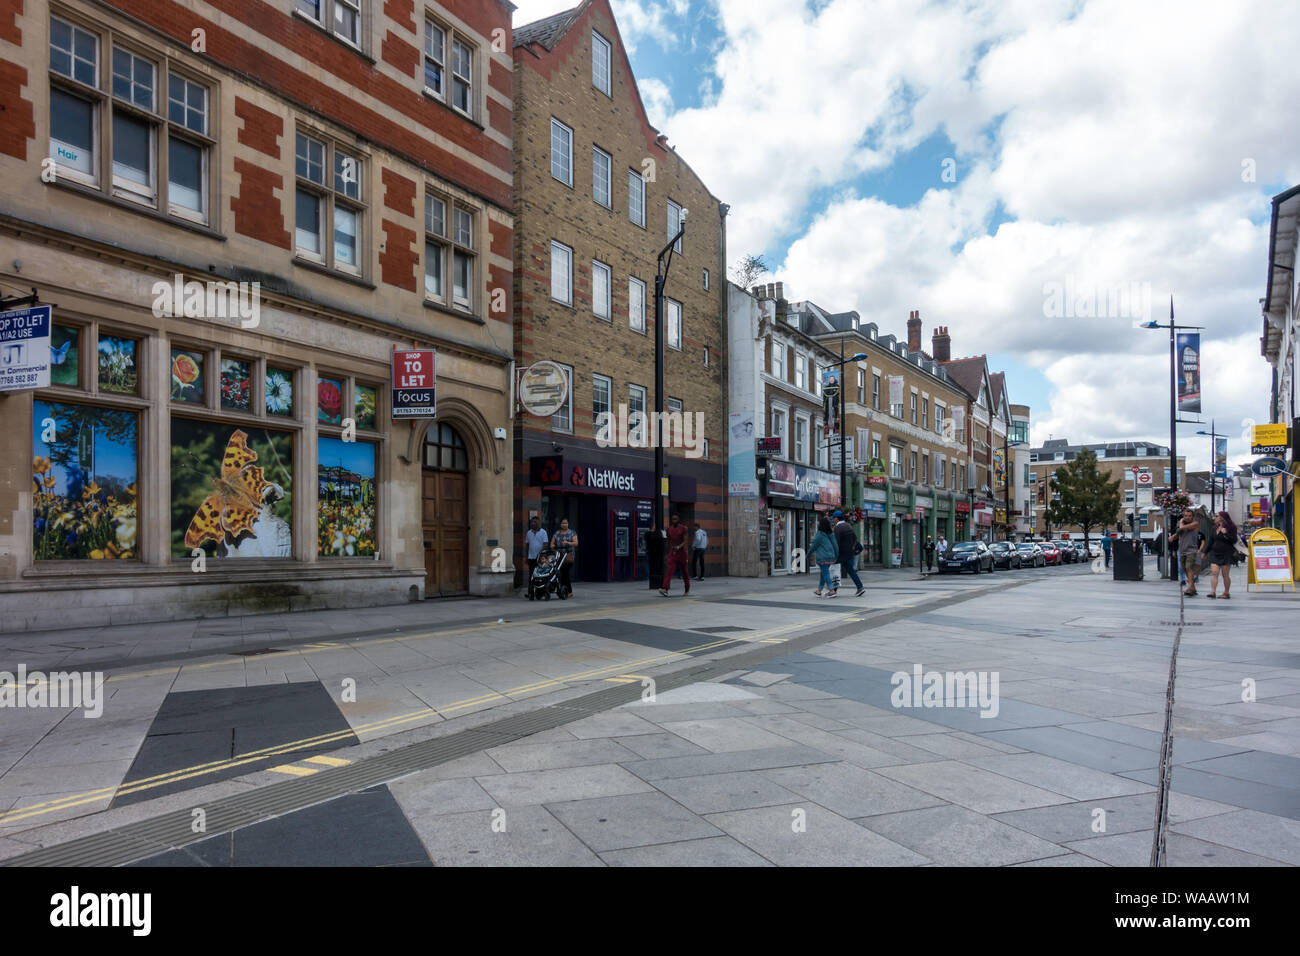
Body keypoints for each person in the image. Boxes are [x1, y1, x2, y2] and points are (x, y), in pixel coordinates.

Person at [833, 511, 865, 597]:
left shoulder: (837, 528)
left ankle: (833, 590)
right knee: (851, 571)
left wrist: (835, 553)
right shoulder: (848, 526)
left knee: (834, 570)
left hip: (841, 553)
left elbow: (836, 542)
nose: (833, 520)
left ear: (836, 518)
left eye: (834, 518)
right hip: (849, 553)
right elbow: (855, 538)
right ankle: (860, 587)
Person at [1170, 512, 1203, 596]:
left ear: (1193, 517)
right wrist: (1172, 537)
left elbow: (1182, 528)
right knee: (1184, 568)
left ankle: (1190, 588)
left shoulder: (1195, 524)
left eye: (1189, 516)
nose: (1187, 517)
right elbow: (1177, 534)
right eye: (1185, 516)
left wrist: (1181, 521)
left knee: (1189, 567)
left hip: (1191, 550)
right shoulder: (1182, 527)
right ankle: (1193, 588)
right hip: (1182, 550)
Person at [1206, 511, 1237, 599]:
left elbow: (1234, 540)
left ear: (1222, 517)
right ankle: (1213, 592)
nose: (1215, 518)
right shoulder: (1214, 528)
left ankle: (1226, 592)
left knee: (1225, 574)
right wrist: (1205, 552)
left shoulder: (1231, 527)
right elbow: (1210, 541)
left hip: (1226, 553)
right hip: (1215, 553)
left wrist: (1225, 533)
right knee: (1214, 572)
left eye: (1216, 516)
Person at [660, 514, 691, 596]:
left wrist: (679, 547)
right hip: (673, 552)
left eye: (676, 519)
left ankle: (687, 589)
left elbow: (685, 541)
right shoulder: (669, 529)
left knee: (685, 572)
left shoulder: (683, 528)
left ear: (678, 519)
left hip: (682, 553)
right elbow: (667, 542)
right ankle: (665, 588)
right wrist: (666, 554)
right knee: (669, 571)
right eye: (673, 519)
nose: (674, 520)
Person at [811, 516, 839, 596]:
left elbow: (814, 546)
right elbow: (835, 545)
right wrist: (836, 555)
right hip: (830, 557)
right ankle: (819, 590)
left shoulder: (819, 534)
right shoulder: (831, 534)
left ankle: (831, 590)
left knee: (825, 573)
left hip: (822, 558)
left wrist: (807, 555)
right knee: (823, 573)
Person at [524, 516, 548, 599]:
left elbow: (545, 545)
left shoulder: (543, 532)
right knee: (531, 576)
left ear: (539, 522)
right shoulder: (528, 533)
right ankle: (530, 592)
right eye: (532, 522)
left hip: (540, 559)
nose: (533, 523)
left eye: (535, 522)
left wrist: (540, 554)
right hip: (531, 558)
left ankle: (540, 592)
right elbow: (527, 545)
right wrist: (526, 557)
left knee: (540, 575)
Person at [553, 518, 577, 598]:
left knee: (565, 573)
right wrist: (553, 545)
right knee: (561, 573)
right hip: (559, 556)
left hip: (568, 556)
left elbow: (576, 543)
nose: (564, 524)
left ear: (568, 524)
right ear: (560, 524)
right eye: (563, 523)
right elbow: (552, 543)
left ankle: (569, 591)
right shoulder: (557, 533)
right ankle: (563, 590)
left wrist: (568, 543)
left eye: (566, 523)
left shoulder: (572, 532)